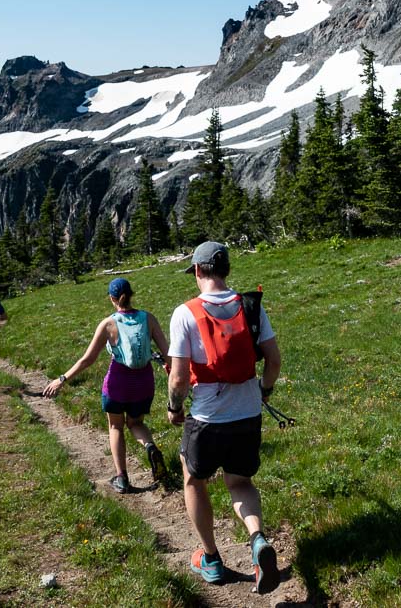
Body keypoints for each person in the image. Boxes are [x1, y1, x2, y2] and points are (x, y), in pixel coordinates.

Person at [166, 241, 282, 594]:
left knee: (193, 480)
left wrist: (174, 407)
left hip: (206, 418)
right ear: (227, 270)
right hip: (247, 414)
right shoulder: (250, 306)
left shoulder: (185, 313)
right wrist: (264, 390)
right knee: (240, 483)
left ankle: (212, 558)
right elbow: (274, 360)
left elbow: (179, 378)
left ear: (198, 271)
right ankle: (257, 539)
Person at [43, 277, 173, 493]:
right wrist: (172, 370)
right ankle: (150, 446)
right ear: (131, 294)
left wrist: (62, 379)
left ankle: (122, 477)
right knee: (136, 424)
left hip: (117, 384)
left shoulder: (108, 324)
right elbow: (167, 353)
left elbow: (87, 359)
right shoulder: (148, 318)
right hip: (143, 383)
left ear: (112, 299)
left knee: (116, 426)